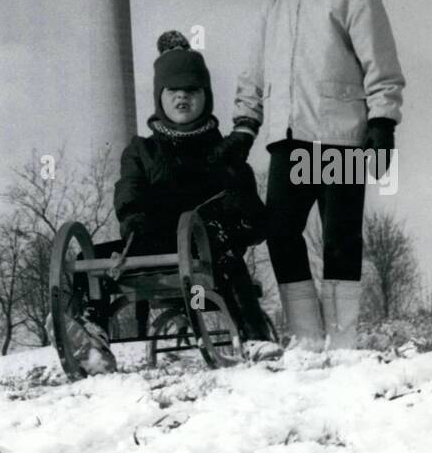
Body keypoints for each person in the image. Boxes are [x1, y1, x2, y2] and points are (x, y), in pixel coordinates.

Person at [224, 0, 405, 349]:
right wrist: (244, 128)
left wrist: (382, 124)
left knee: (341, 238)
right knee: (280, 232)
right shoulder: (274, 5)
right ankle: (306, 340)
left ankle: (342, 343)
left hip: (343, 138)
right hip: (290, 139)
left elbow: (381, 68)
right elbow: (254, 73)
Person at [65, 32, 281, 373]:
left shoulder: (225, 151)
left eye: (192, 90)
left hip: (207, 252)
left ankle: (254, 337)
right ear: (159, 98)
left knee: (225, 252)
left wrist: (239, 217)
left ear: (206, 97)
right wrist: (133, 216)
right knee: (88, 262)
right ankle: (92, 342)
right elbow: (130, 188)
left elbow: (254, 218)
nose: (183, 96)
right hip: (152, 244)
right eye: (173, 90)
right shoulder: (142, 151)